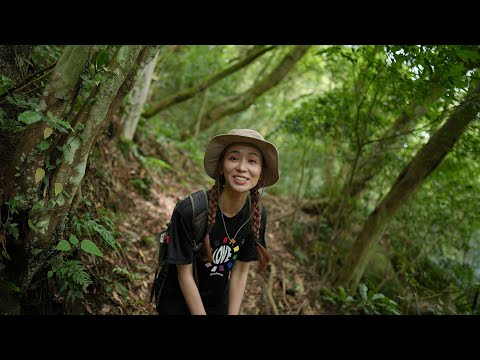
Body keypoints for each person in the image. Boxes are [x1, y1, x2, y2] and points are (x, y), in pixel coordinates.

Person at [155, 128, 279, 315]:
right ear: (221, 166)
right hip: (177, 298)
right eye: (234, 158)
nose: (242, 168)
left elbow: (240, 272)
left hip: (217, 301)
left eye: (252, 161)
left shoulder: (257, 214)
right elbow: (184, 274)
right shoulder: (190, 210)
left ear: (261, 173)